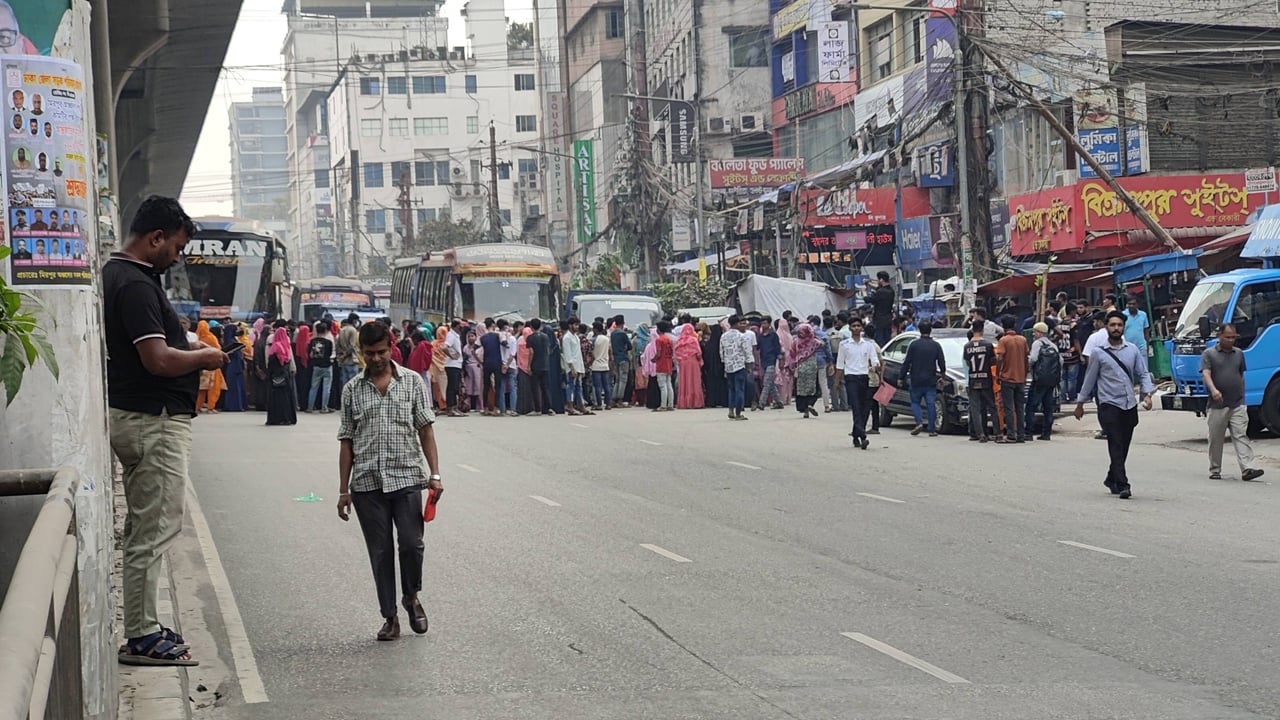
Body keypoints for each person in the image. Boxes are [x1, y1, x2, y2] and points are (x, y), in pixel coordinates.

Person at [106, 196, 226, 667]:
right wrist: (206, 357)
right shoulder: (134, 284)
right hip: (152, 420)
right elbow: (157, 360)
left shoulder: (125, 277)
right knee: (153, 530)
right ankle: (141, 635)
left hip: (142, 416)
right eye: (175, 246)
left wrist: (187, 344)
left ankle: (145, 625)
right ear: (155, 238)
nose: (176, 256)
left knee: (145, 528)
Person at [336, 320, 442, 642]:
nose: (377, 358)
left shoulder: (411, 383)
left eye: (382, 351)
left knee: (411, 544)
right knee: (380, 553)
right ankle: (390, 617)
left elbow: (426, 430)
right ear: (362, 352)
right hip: (367, 484)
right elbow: (346, 441)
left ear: (391, 346)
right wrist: (343, 490)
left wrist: (435, 475)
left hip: (407, 477)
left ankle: (411, 596)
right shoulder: (352, 390)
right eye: (370, 353)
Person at [1074, 311, 1156, 499]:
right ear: (1106, 327)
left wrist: (1148, 394)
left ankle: (1111, 477)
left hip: (1129, 403)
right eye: (1112, 325)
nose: (1116, 328)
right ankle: (1123, 483)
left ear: (1123, 327)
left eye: (1119, 325)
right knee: (1115, 442)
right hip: (1108, 403)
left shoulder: (1133, 350)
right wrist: (1080, 403)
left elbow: (1142, 373)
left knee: (1124, 443)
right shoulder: (1098, 353)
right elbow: (1090, 378)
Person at [1200, 324, 1264, 482]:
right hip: (1217, 405)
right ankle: (1215, 469)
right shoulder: (1209, 354)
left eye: (1233, 337)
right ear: (1219, 336)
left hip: (1237, 403)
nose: (1230, 340)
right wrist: (1213, 390)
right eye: (1227, 337)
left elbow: (1240, 375)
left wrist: (1243, 397)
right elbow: (1206, 374)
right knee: (1216, 438)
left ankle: (1247, 468)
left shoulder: (1239, 354)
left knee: (1241, 435)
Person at [838, 317, 881, 449]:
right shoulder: (844, 345)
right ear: (850, 328)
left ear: (862, 328)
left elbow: (875, 360)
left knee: (864, 408)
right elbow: (840, 364)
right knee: (856, 407)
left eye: (858, 326)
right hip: (851, 378)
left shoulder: (868, 345)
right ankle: (863, 436)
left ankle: (856, 434)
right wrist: (837, 382)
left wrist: (874, 366)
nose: (856, 328)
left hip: (864, 377)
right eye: (854, 326)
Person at [900, 321, 946, 436]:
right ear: (930, 330)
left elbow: (907, 362)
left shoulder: (914, 344)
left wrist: (901, 377)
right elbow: (941, 362)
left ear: (919, 330)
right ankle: (931, 429)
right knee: (931, 404)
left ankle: (919, 422)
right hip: (930, 380)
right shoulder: (936, 345)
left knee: (915, 402)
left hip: (916, 379)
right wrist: (943, 376)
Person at [995, 315, 1030, 443]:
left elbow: (1000, 359)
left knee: (1009, 408)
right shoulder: (1022, 340)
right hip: (1020, 378)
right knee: (1020, 407)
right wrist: (1025, 374)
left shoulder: (1004, 340)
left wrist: (998, 374)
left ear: (1003, 326)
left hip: (1007, 378)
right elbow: (1026, 359)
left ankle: (1011, 434)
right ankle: (1021, 434)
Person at [1026, 322, 1061, 440]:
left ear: (1040, 333)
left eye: (1035, 331)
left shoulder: (1037, 343)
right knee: (1048, 407)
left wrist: (1030, 367)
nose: (1033, 334)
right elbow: (1060, 361)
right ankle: (1046, 433)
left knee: (1031, 406)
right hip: (1051, 381)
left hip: (1039, 379)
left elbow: (1034, 359)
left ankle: (1028, 433)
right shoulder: (1053, 344)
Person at [964, 322, 998, 442]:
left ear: (973, 330)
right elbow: (994, 361)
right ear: (982, 331)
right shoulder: (988, 345)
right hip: (986, 378)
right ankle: (997, 433)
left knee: (975, 408)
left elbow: (968, 363)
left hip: (973, 378)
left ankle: (980, 434)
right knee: (992, 406)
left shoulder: (967, 346)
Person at [787, 323, 823, 418]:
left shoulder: (795, 342)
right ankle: (810, 404)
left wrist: (791, 367)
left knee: (801, 390)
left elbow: (791, 355)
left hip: (800, 367)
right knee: (813, 388)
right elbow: (822, 343)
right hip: (812, 367)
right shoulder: (814, 341)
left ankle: (805, 410)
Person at [720, 315, 752, 420]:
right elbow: (747, 351)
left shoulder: (723, 336)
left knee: (731, 389)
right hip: (739, 365)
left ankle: (731, 411)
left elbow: (721, 352)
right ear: (737, 323)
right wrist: (749, 365)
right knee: (740, 389)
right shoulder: (742, 336)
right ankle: (738, 413)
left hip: (728, 366)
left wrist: (724, 363)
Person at [265, 327, 298, 426]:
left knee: (275, 399)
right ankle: (287, 418)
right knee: (286, 398)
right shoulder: (286, 346)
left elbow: (270, 363)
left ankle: (276, 418)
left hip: (275, 377)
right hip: (285, 376)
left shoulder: (275, 347)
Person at [195, 321, 225, 413]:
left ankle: (197, 407)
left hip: (201, 367)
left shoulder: (196, 338)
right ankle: (210, 407)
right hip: (212, 367)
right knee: (214, 388)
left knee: (201, 389)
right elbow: (218, 349)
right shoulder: (211, 337)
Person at [307, 321, 336, 413]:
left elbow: (310, 354)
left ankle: (310, 407)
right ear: (325, 330)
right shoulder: (329, 342)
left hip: (316, 366)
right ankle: (324, 407)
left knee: (313, 387)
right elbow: (330, 353)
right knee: (326, 388)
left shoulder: (312, 341)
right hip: (327, 366)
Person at [526, 318, 553, 414]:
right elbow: (548, 349)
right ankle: (548, 408)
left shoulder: (530, 338)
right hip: (545, 365)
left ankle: (537, 409)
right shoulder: (545, 336)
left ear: (531, 327)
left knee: (535, 387)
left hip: (535, 365)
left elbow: (531, 352)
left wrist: (528, 366)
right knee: (545, 387)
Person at [560, 318, 587, 415]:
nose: (577, 327)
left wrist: (581, 368)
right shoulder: (567, 337)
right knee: (570, 386)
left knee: (579, 387)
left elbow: (578, 354)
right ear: (570, 325)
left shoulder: (576, 337)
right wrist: (572, 368)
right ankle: (570, 406)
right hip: (572, 366)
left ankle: (581, 406)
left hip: (578, 365)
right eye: (575, 325)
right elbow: (568, 354)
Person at [220, 324, 248, 412]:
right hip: (233, 364)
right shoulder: (229, 341)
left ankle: (239, 405)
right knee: (233, 386)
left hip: (237, 364)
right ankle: (233, 405)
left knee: (238, 385)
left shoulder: (234, 339)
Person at [479, 319, 504, 416]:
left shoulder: (482, 337)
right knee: (498, 385)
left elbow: (474, 349)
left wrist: (479, 361)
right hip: (497, 362)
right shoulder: (498, 336)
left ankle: (485, 408)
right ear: (493, 325)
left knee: (486, 386)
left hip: (486, 362)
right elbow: (506, 345)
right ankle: (496, 408)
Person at [757, 317, 783, 409]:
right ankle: (779, 402)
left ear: (769, 324)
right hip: (763, 361)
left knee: (766, 382)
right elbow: (757, 347)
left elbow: (777, 348)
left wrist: (780, 359)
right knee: (770, 382)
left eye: (765, 323)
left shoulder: (773, 335)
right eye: (762, 323)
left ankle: (761, 403)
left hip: (771, 360)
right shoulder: (760, 336)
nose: (763, 325)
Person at [609, 316, 633, 408]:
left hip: (616, 358)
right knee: (623, 380)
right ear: (623, 323)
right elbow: (629, 346)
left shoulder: (613, 333)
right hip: (623, 357)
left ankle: (613, 399)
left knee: (617, 379)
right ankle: (620, 399)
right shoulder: (623, 333)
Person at [867, 271, 895, 346]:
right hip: (888, 319)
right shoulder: (891, 291)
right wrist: (869, 285)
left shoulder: (880, 292)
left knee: (880, 342)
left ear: (881, 280)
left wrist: (863, 292)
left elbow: (868, 300)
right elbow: (878, 288)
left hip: (879, 320)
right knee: (887, 341)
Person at [652, 320, 675, 410]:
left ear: (659, 330)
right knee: (669, 384)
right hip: (668, 363)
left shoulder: (659, 339)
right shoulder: (669, 339)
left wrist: (653, 359)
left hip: (661, 364)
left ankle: (663, 405)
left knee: (662, 385)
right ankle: (670, 404)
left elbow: (658, 353)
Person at [443, 320, 464, 416]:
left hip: (456, 364)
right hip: (452, 364)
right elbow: (444, 347)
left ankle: (455, 407)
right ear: (456, 326)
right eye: (460, 327)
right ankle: (450, 408)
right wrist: (451, 356)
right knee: (452, 387)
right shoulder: (451, 335)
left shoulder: (456, 335)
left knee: (455, 387)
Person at [590, 322, 612, 410]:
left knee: (597, 386)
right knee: (607, 385)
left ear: (595, 329)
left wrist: (591, 361)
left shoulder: (593, 339)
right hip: (605, 365)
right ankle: (608, 404)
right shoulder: (607, 339)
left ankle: (599, 404)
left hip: (596, 365)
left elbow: (591, 352)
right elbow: (610, 351)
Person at [336, 318, 361, 393]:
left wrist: (341, 355)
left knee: (344, 383)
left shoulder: (341, 330)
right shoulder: (353, 330)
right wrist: (346, 354)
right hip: (352, 359)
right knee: (353, 383)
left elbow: (338, 345)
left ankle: (344, 400)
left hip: (343, 361)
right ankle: (352, 401)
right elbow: (352, 346)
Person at [293, 322, 312, 411]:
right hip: (306, 368)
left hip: (298, 368)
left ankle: (300, 403)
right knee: (306, 386)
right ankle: (305, 404)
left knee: (299, 386)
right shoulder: (309, 343)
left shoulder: (295, 344)